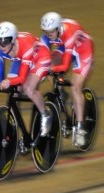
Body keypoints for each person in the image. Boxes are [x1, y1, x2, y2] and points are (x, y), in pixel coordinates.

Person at [0, 21, 52, 137]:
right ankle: (16, 132)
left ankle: (45, 114)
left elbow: (22, 78)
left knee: (28, 88)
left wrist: (9, 81)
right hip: (21, 59)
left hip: (39, 57)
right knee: (13, 92)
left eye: (4, 41)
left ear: (13, 40)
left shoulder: (26, 45)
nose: (1, 46)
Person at [40, 12, 94, 147]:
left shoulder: (69, 33)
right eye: (45, 32)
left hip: (83, 50)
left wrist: (49, 70)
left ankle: (81, 128)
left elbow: (64, 66)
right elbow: (42, 58)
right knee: (48, 64)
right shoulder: (48, 35)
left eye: (51, 32)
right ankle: (61, 93)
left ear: (58, 28)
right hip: (65, 47)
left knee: (76, 87)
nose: (48, 34)